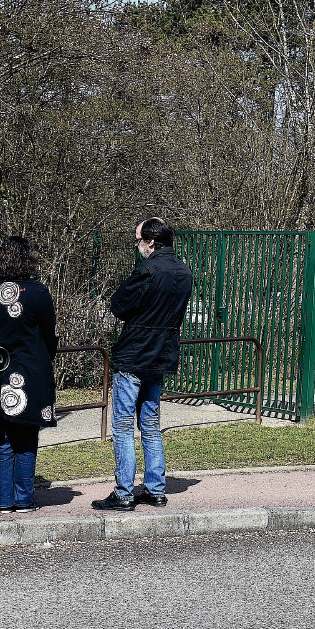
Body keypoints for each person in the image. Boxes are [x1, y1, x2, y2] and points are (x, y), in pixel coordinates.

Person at [92, 217, 193, 511]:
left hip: (135, 354)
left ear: (150, 241)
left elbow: (119, 305)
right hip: (162, 354)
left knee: (123, 425)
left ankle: (124, 492)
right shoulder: (184, 272)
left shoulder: (147, 270)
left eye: (138, 241)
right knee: (150, 425)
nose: (137, 246)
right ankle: (155, 489)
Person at [0, 237, 58, 512]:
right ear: (28, 260)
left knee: (2, 439)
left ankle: (3, 501)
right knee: (27, 437)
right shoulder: (38, 292)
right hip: (31, 371)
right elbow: (50, 335)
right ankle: (23, 500)